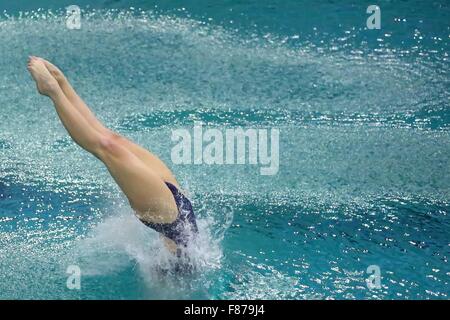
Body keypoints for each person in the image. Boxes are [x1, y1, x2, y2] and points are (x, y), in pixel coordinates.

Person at [27, 56, 198, 254]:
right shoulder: (188, 269)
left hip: (172, 216)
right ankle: (60, 84)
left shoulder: (179, 273)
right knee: (112, 141)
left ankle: (53, 89)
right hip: (175, 211)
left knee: (107, 147)